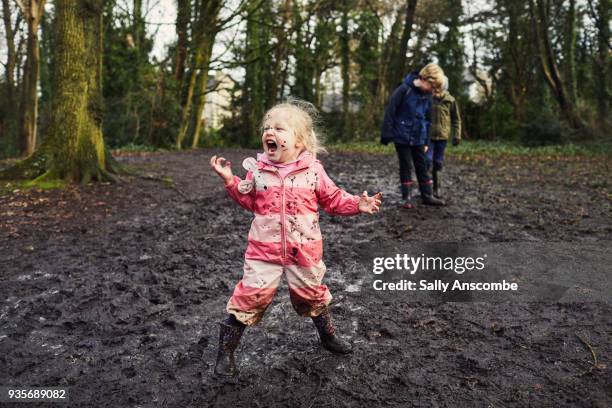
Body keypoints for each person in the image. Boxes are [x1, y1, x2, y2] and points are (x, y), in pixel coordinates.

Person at [209, 100, 382, 379]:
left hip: (304, 250)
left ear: (299, 141)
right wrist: (230, 180)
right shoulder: (258, 170)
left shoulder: (313, 171)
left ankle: (327, 336)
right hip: (263, 251)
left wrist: (357, 205)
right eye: (267, 128)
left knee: (311, 294)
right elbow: (251, 201)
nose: (270, 132)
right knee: (249, 297)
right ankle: (225, 352)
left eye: (279, 128)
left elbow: (333, 198)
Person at [380, 63, 446, 208]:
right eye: (432, 86)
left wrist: (427, 140)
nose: (433, 91)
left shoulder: (427, 96)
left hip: (419, 137)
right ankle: (406, 197)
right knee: (405, 165)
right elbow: (391, 110)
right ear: (424, 79)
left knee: (422, 165)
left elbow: (428, 119)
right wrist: (387, 133)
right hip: (402, 136)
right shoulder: (404, 90)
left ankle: (427, 195)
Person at [427, 76, 461, 198]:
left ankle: (437, 188)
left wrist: (457, 135)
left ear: (444, 88)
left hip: (442, 137)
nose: (436, 92)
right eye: (434, 89)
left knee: (438, 162)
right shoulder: (428, 99)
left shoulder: (450, 101)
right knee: (427, 161)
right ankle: (426, 188)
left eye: (439, 89)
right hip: (428, 137)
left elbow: (456, 120)